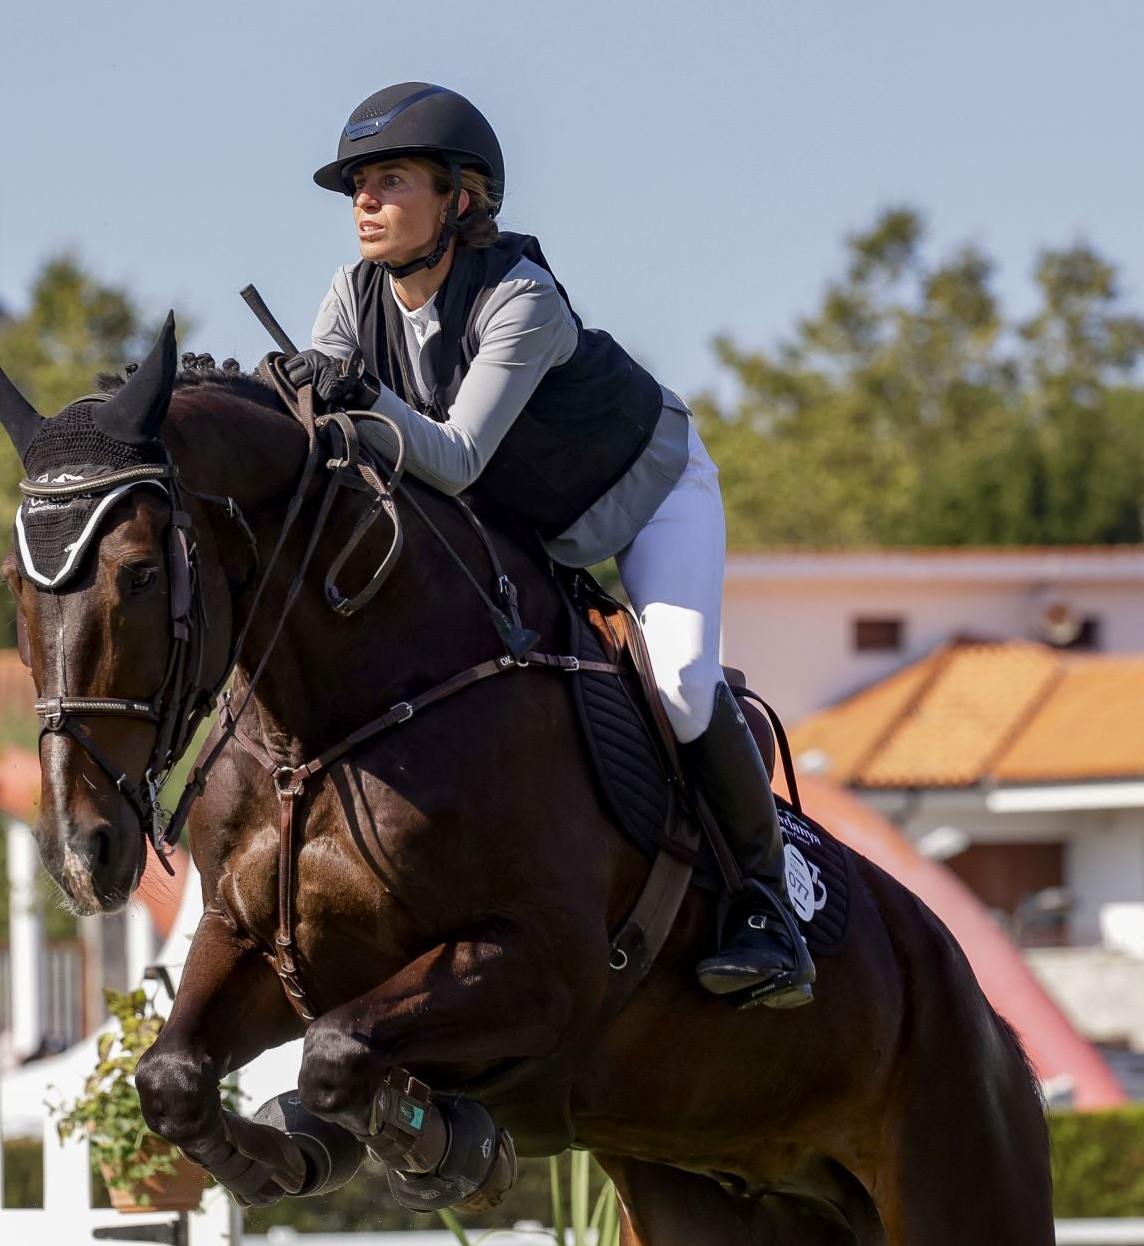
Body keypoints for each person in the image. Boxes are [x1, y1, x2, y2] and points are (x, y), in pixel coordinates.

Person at [285, 82, 812, 1009]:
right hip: (527, 524)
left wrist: (352, 394)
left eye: (391, 179)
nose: (365, 200)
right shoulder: (350, 293)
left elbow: (450, 457)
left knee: (682, 680)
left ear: (460, 199)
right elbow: (328, 440)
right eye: (359, 183)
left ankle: (768, 912)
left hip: (644, 493)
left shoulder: (520, 298)